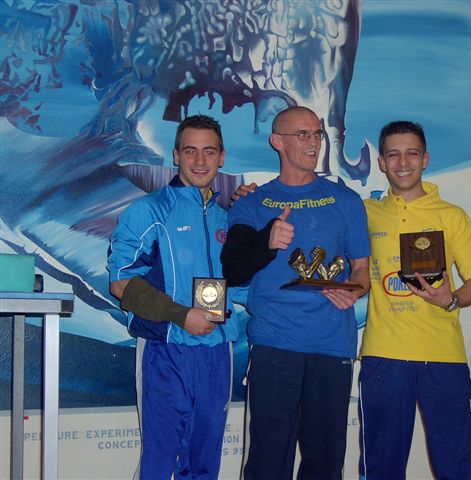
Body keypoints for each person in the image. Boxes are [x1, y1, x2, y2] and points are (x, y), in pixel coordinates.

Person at [221, 106, 370, 480]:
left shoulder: (346, 200)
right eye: (302, 134)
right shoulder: (252, 202)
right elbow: (233, 268)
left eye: (317, 133)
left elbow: (362, 271)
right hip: (274, 345)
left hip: (331, 345)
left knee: (325, 463)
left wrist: (353, 291)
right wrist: (266, 241)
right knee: (268, 463)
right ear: (277, 141)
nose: (313, 142)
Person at [107, 115, 239, 479]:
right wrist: (181, 315)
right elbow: (121, 283)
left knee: (205, 461)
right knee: (161, 460)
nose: (200, 160)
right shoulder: (148, 211)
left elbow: (240, 283)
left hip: (217, 351)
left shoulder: (226, 219)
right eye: (190, 151)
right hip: (165, 349)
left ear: (222, 157)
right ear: (176, 155)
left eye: (209, 151)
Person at [359, 120, 471, 479]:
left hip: (443, 354)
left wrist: (451, 300)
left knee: (457, 466)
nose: (403, 162)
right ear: (382, 162)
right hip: (383, 355)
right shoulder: (365, 213)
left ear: (425, 159)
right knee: (381, 468)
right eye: (393, 154)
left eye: (411, 153)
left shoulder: (452, 216)